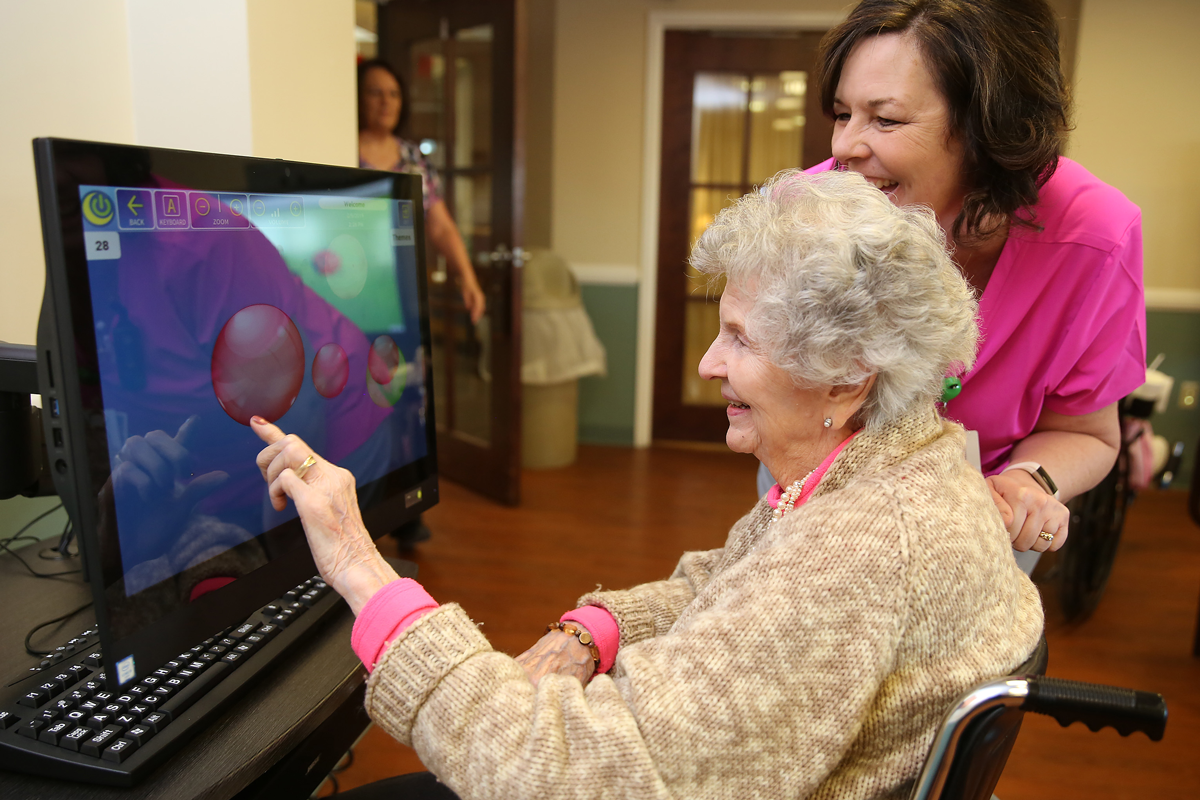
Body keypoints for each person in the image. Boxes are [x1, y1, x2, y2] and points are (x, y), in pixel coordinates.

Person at [251, 170, 1043, 800]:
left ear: (845, 378)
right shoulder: (898, 461)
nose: (709, 362)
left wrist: (360, 565)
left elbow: (569, 773)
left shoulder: (862, 548)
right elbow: (739, 581)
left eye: (740, 338)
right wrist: (593, 631)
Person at [756, 0, 1146, 569]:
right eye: (842, 114)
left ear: (990, 128)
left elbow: (1088, 433)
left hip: (981, 521)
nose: (843, 147)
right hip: (822, 501)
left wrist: (1027, 482)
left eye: (885, 119)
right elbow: (761, 387)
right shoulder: (805, 212)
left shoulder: (1096, 238)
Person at [358, 58, 487, 325]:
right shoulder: (338, 149)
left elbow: (441, 227)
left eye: (394, 94)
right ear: (358, 97)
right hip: (350, 280)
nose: (387, 102)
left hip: (404, 286)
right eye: (375, 92)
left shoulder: (413, 158)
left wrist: (468, 278)